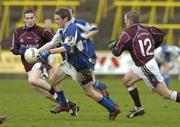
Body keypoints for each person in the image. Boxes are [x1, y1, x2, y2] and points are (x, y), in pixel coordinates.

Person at [38, 7, 120, 120]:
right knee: (53, 80)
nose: (55, 21)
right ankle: (64, 105)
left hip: (82, 66)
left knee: (90, 92)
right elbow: (52, 43)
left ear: (65, 19)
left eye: (57, 19)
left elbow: (67, 47)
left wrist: (48, 52)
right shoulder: (61, 30)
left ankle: (113, 109)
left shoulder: (72, 29)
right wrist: (37, 52)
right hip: (70, 63)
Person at [109, 11, 180, 119]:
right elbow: (161, 35)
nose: (125, 23)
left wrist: (112, 46)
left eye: (125, 21)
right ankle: (139, 108)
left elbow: (116, 53)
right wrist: (153, 47)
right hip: (142, 65)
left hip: (146, 67)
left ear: (129, 21)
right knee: (127, 81)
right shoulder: (149, 29)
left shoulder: (126, 33)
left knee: (166, 94)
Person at [10, 8, 78, 115]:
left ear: (35, 18)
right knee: (46, 94)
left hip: (41, 62)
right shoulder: (18, 32)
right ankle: (70, 105)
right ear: (24, 19)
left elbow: (57, 42)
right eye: (27, 18)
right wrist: (20, 51)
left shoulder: (42, 31)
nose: (30, 20)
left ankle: (64, 103)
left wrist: (64, 57)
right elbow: (13, 49)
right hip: (28, 66)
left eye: (31, 18)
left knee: (32, 80)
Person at [66, 6, 117, 105]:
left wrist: (84, 36)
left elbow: (94, 29)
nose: (66, 15)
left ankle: (111, 103)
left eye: (68, 13)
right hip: (79, 57)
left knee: (90, 84)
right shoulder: (66, 27)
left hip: (88, 54)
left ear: (72, 13)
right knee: (89, 86)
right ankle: (110, 103)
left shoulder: (79, 23)